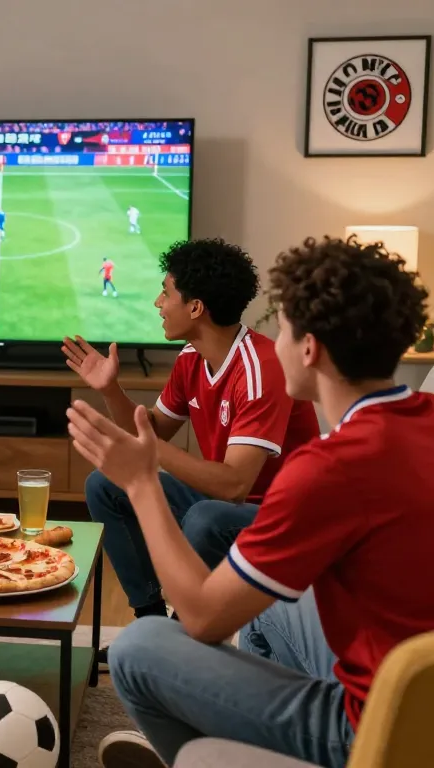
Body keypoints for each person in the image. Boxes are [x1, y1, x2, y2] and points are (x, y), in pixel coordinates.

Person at [69, 235, 434, 768]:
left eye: (282, 327)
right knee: (266, 600)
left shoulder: (327, 468)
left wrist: (144, 482)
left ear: (309, 350)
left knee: (137, 647)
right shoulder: (424, 414)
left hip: (376, 726)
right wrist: (115, 399)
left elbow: (202, 621)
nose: (273, 339)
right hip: (420, 696)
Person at [63, 238, 319, 669]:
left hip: (279, 516)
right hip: (224, 500)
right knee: (105, 485)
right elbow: (153, 431)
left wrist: (145, 452)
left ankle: (183, 641)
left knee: (206, 517)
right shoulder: (191, 359)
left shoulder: (260, 369)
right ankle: (150, 628)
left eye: (166, 292)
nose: (158, 302)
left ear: (196, 307)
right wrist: (110, 389)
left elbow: (237, 485)